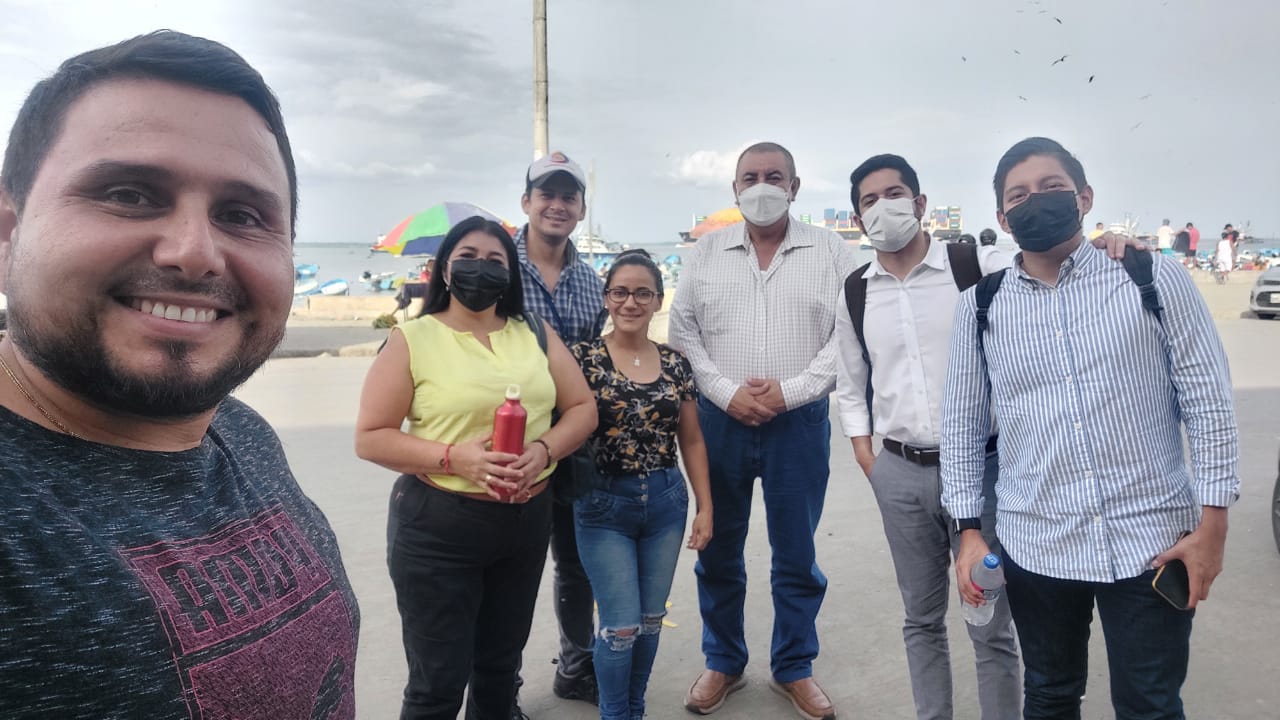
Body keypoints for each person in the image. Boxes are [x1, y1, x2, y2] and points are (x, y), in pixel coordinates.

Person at [0, 31, 362, 718]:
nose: (195, 253)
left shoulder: (239, 430)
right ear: (8, 231)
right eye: (129, 194)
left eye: (242, 215)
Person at [942, 137, 1239, 718]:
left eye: (1052, 187)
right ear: (1002, 217)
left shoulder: (1151, 277)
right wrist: (968, 530)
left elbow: (1209, 403)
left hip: (1151, 540)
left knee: (1150, 704)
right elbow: (962, 425)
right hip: (1037, 542)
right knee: (1050, 695)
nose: (1036, 200)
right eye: (1019, 195)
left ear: (1084, 197)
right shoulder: (981, 307)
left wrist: (1214, 523)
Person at [355, 216, 597, 719]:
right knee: (437, 685)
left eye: (494, 260)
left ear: (510, 273)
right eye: (467, 257)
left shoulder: (533, 332)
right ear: (444, 268)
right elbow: (371, 437)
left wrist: (544, 450)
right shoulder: (412, 339)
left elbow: (582, 408)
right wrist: (453, 457)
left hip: (526, 522)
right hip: (439, 528)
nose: (480, 268)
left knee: (499, 673)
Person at [670, 141, 857, 720]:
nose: (762, 186)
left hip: (798, 423)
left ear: (794, 187)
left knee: (796, 555)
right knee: (718, 550)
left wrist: (791, 391)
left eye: (775, 176)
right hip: (718, 423)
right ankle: (723, 660)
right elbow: (684, 332)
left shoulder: (831, 251)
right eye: (750, 177)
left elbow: (850, 335)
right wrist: (725, 393)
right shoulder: (706, 252)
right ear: (735, 188)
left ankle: (794, 666)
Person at [835, 154, 1021, 720]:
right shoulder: (856, 291)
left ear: (919, 204)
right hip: (899, 473)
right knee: (921, 618)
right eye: (869, 201)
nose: (882, 207)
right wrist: (869, 460)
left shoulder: (975, 265)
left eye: (894, 194)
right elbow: (851, 385)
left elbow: (1046, 265)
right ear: (858, 219)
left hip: (982, 472)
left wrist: (1111, 246)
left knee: (989, 620)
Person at [571, 249, 714, 720]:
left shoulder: (675, 363)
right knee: (620, 628)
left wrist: (705, 507)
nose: (630, 302)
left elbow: (691, 439)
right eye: (619, 292)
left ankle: (635, 708)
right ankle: (615, 715)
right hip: (603, 504)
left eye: (642, 293)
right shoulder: (582, 359)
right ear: (606, 298)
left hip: (666, 503)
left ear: (657, 301)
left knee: (651, 622)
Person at [512, 150, 607, 712]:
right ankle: (500, 686)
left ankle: (576, 667)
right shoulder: (498, 266)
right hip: (506, 442)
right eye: (546, 194)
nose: (557, 204)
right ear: (526, 202)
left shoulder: (592, 282)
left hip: (573, 444)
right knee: (511, 568)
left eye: (568, 196)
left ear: (581, 209)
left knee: (576, 565)